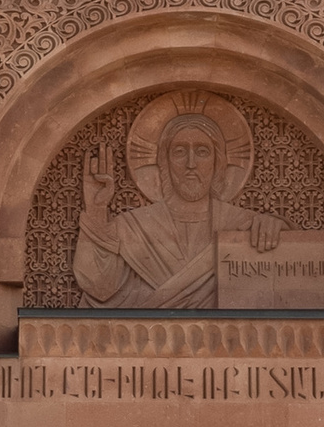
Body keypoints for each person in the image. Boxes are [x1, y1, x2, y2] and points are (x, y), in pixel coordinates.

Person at [76, 109, 278, 307]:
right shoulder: (132, 227)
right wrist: (96, 209)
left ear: (218, 161)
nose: (191, 164)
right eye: (180, 152)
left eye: (202, 152)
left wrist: (277, 231)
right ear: (165, 161)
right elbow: (98, 287)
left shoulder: (244, 224)